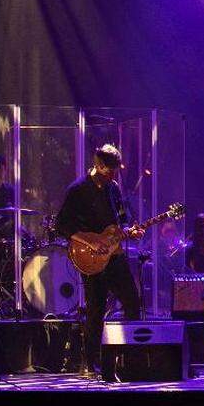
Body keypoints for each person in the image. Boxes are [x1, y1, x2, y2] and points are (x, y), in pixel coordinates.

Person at [55, 144, 144, 374]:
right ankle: (89, 362)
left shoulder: (113, 188)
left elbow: (122, 219)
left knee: (132, 301)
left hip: (114, 256)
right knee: (96, 308)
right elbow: (62, 224)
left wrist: (130, 231)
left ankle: (132, 357)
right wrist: (89, 241)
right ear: (98, 165)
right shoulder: (78, 190)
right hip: (91, 259)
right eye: (109, 171)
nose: (113, 176)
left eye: (115, 171)